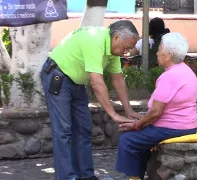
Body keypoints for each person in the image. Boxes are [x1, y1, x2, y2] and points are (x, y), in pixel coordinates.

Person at [40, 20, 141, 180]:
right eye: (126, 48)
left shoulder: (113, 50)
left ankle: (86, 175)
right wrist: (113, 115)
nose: (126, 53)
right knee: (63, 131)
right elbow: (96, 83)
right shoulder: (95, 41)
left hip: (76, 81)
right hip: (57, 75)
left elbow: (117, 79)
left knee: (84, 128)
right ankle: (67, 177)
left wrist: (128, 109)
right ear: (116, 37)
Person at [115, 32, 197, 180]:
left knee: (128, 139)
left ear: (168, 55)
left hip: (172, 127)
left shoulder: (169, 76)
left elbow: (155, 112)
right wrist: (141, 121)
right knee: (139, 139)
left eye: (159, 49)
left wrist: (136, 125)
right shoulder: (186, 71)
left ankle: (134, 178)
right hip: (186, 125)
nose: (157, 53)